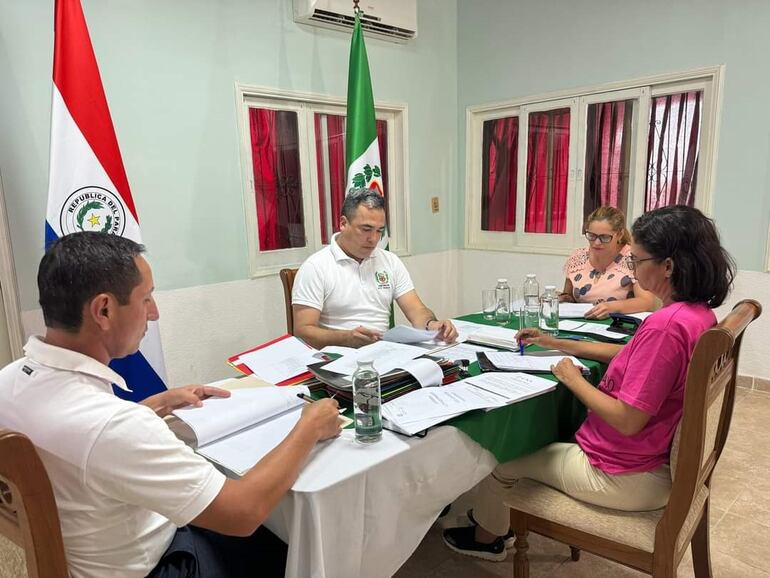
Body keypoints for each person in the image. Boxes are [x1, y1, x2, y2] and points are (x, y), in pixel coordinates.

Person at [0, 232, 342, 578]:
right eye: (146, 298)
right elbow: (243, 513)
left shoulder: (10, 380)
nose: (154, 313)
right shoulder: (114, 427)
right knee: (293, 546)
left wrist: (153, 404)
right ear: (103, 310)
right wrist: (309, 426)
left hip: (89, 549)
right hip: (154, 566)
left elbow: (80, 440)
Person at [443, 205, 735, 561]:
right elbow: (633, 360)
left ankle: (489, 537)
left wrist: (570, 377)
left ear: (668, 266)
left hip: (625, 474)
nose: (633, 268)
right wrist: (557, 343)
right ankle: (493, 518)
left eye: (638, 260)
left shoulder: (665, 327)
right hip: (646, 460)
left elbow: (628, 418)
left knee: (500, 459)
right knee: (546, 433)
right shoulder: (695, 314)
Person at [292, 187, 458, 348]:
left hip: (383, 352)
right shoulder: (316, 267)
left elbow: (416, 310)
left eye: (380, 231)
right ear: (343, 223)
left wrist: (431, 325)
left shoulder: (389, 261)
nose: (374, 239)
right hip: (338, 359)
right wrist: (346, 338)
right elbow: (303, 331)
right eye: (366, 229)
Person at [561, 206, 656, 319]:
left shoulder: (632, 258)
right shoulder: (578, 258)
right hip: (583, 323)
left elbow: (646, 302)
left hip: (618, 325)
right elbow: (569, 296)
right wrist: (562, 298)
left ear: (619, 235)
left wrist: (611, 307)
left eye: (604, 237)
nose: (596, 242)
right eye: (592, 236)